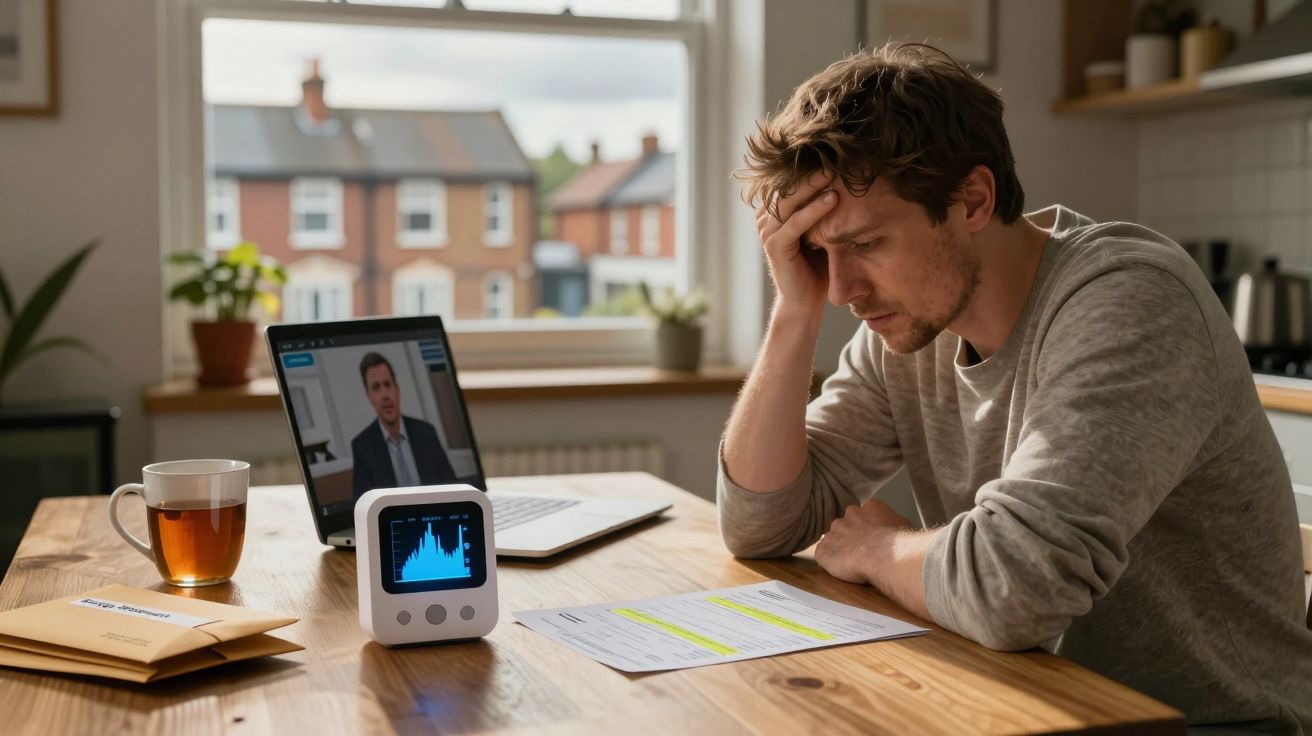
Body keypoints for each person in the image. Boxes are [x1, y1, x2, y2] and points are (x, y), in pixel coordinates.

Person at [720, 43, 1312, 732]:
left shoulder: (1130, 302)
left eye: (866, 243)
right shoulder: (909, 327)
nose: (843, 289)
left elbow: (1014, 587)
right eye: (820, 254)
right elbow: (759, 524)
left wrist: (877, 549)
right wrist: (794, 313)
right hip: (1022, 702)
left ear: (973, 199)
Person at [351, 351, 457, 498]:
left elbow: (453, 488)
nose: (385, 395)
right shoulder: (362, 446)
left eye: (388, 385)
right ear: (369, 397)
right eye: (376, 388)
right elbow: (361, 506)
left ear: (397, 390)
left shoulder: (426, 433)